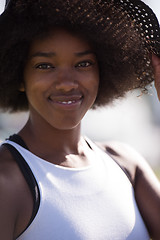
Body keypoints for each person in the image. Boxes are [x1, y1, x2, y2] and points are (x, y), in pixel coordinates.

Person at [0, 0, 160, 239]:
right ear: (19, 76)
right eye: (45, 65)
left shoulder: (127, 166)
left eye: (83, 64)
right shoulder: (7, 182)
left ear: (102, 70)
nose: (66, 82)